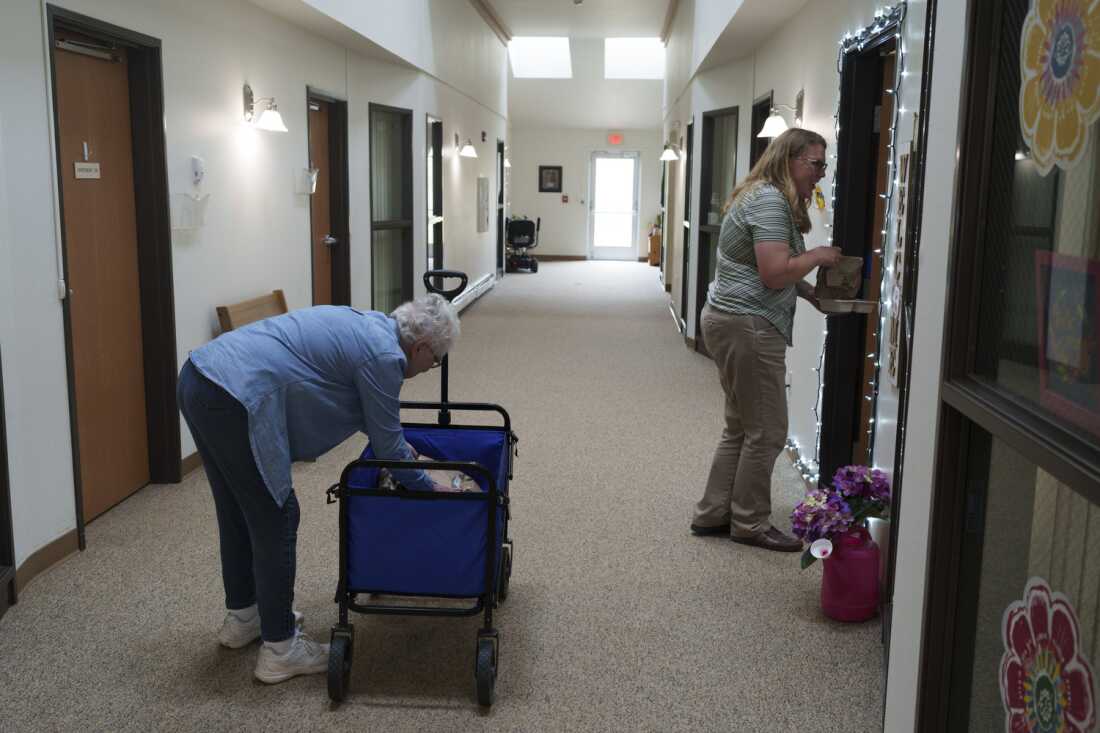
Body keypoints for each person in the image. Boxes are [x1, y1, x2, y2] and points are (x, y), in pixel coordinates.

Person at [177, 293, 460, 683]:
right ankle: (281, 649)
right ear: (421, 346)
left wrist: (402, 449)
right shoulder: (385, 358)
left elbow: (373, 419)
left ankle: (245, 617)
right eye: (437, 359)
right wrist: (430, 487)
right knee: (277, 515)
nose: (432, 367)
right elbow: (388, 447)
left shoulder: (370, 327)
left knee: (237, 509)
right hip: (235, 397)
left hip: (199, 376)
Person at [690, 128, 842, 552]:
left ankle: (714, 512)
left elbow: (771, 269)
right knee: (769, 431)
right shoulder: (771, 202)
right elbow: (775, 272)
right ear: (789, 159)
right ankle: (749, 522)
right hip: (748, 325)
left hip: (731, 318)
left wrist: (811, 294)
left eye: (822, 165)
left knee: (740, 426)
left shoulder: (761, 194)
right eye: (814, 164)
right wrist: (820, 256)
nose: (819, 174)